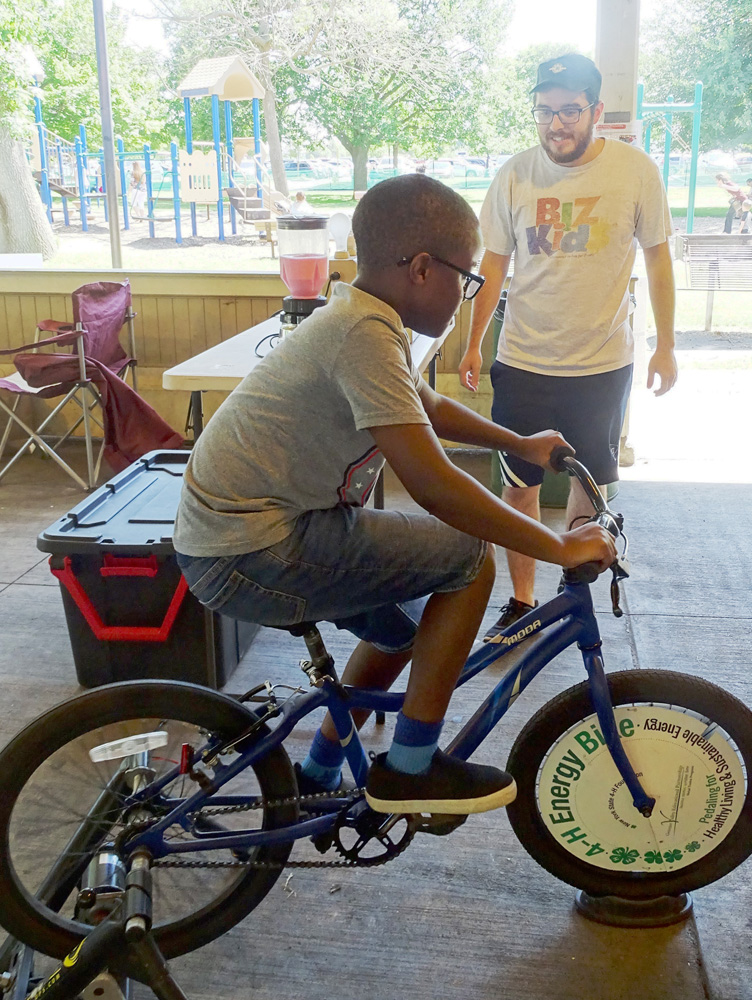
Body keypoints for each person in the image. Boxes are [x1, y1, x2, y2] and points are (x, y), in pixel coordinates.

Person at [173, 174, 616, 817]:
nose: (468, 297)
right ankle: (410, 770)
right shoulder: (363, 336)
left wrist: (518, 443)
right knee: (467, 560)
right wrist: (555, 545)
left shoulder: (369, 319)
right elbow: (435, 486)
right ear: (419, 268)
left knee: (404, 628)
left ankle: (319, 774)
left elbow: (424, 405)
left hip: (248, 533)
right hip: (249, 547)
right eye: (467, 280)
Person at [458, 53, 677, 641]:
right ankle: (522, 600)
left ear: (596, 112)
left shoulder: (635, 172)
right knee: (519, 486)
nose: (557, 124)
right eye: (546, 111)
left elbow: (658, 258)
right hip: (525, 359)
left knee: (589, 481)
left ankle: (572, 589)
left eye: (571, 111)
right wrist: (475, 343)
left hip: (604, 361)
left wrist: (666, 344)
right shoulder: (514, 175)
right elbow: (494, 266)